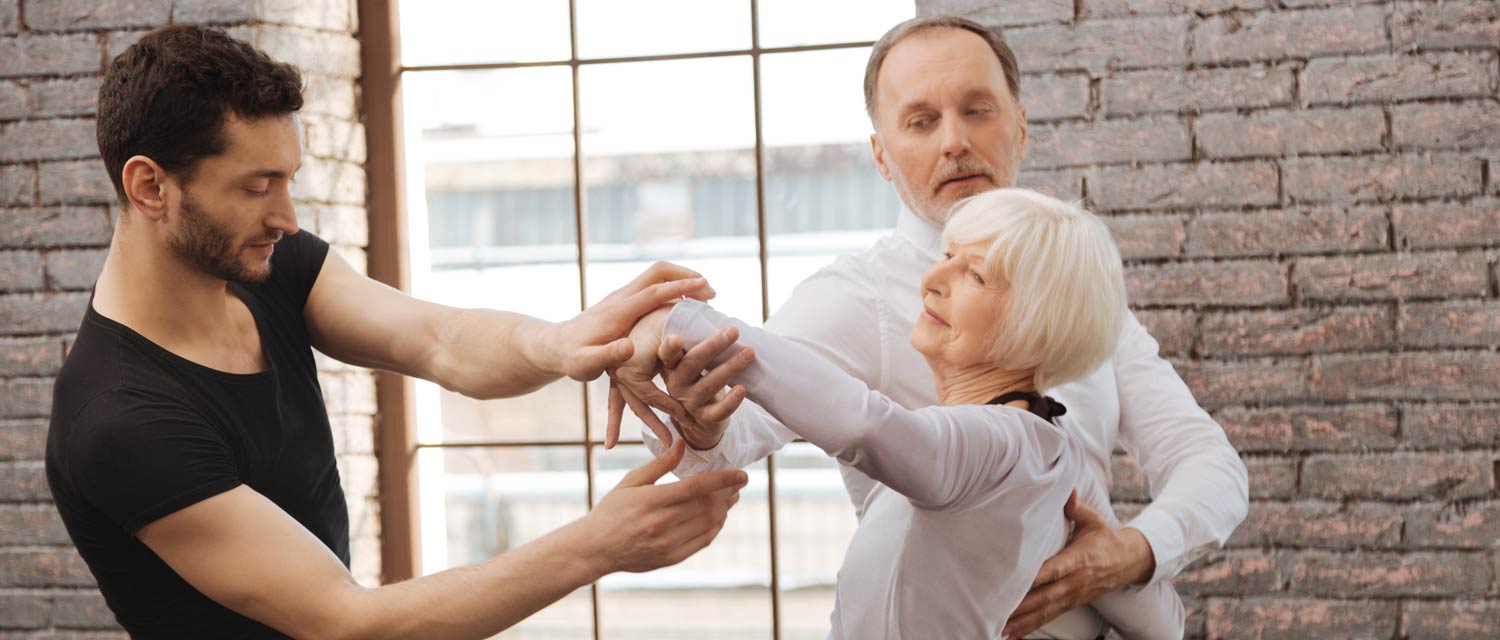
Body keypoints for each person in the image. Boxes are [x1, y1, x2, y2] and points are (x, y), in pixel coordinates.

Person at [46, 24, 746, 639]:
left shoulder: (273, 268)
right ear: (149, 188)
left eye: (288, 181)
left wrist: (565, 344)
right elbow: (344, 621)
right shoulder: (119, 420)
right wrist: (595, 546)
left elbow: (437, 340)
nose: (287, 216)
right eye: (257, 188)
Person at [609, 15, 1248, 638]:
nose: (954, 142)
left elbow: (1207, 465)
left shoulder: (1072, 292)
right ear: (882, 156)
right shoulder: (850, 298)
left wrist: (1132, 554)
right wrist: (698, 408)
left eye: (977, 110)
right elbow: (727, 433)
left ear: (1020, 128)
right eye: (921, 121)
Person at [625, 188, 1185, 638]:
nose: (933, 281)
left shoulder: (1000, 442)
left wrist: (680, 321)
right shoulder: (1044, 445)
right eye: (947, 257)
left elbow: (861, 424)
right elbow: (1163, 623)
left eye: (976, 275)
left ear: (1039, 325)